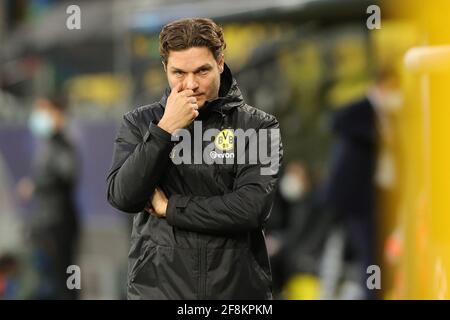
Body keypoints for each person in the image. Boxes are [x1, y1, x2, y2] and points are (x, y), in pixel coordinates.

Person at [106, 18, 283, 299]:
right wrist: (164, 130)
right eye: (179, 72)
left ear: (220, 63)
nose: (191, 84)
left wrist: (170, 208)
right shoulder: (140, 123)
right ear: (165, 68)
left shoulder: (257, 126)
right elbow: (123, 197)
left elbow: (251, 209)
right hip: (157, 292)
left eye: (202, 71)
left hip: (236, 294)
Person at [17, 95, 80, 299]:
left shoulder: (63, 144)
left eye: (44, 110)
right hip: (46, 219)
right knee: (47, 275)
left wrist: (36, 185)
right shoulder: (48, 144)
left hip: (60, 220)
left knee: (67, 273)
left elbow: (68, 175)